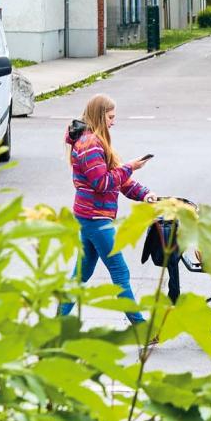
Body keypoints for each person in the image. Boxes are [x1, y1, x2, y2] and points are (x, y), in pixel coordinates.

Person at [60, 93, 156, 323]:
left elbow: (115, 176)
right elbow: (102, 183)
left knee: (81, 273)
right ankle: (141, 327)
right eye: (111, 117)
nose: (114, 121)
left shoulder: (93, 140)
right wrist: (130, 167)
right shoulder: (90, 145)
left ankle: (55, 324)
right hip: (96, 218)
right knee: (120, 272)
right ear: (99, 115)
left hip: (90, 215)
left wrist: (145, 194)